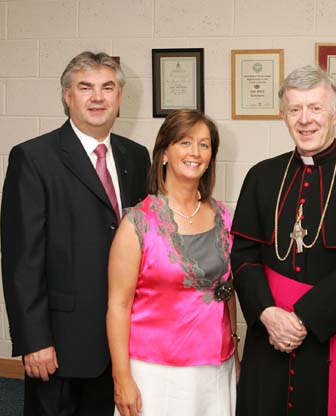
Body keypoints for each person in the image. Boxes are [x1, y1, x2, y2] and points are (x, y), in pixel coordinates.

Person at [231, 65, 336, 415]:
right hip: (270, 335)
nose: (305, 119)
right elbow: (243, 255)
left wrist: (304, 320)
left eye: (315, 108)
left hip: (333, 334)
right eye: (294, 109)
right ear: (283, 115)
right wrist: (268, 315)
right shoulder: (261, 176)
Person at [1, 51, 150, 415]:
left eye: (107, 87)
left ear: (119, 98)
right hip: (59, 344)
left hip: (122, 340)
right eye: (85, 87)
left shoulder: (137, 157)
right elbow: (22, 259)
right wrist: (34, 340)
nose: (97, 98)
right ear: (68, 96)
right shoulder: (34, 158)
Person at [106, 109, 239, 416]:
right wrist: (121, 376)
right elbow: (118, 306)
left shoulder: (223, 216)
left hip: (216, 367)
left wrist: (235, 348)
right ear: (164, 152)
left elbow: (227, 290)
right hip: (155, 372)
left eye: (204, 145)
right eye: (185, 142)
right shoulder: (138, 223)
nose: (196, 152)